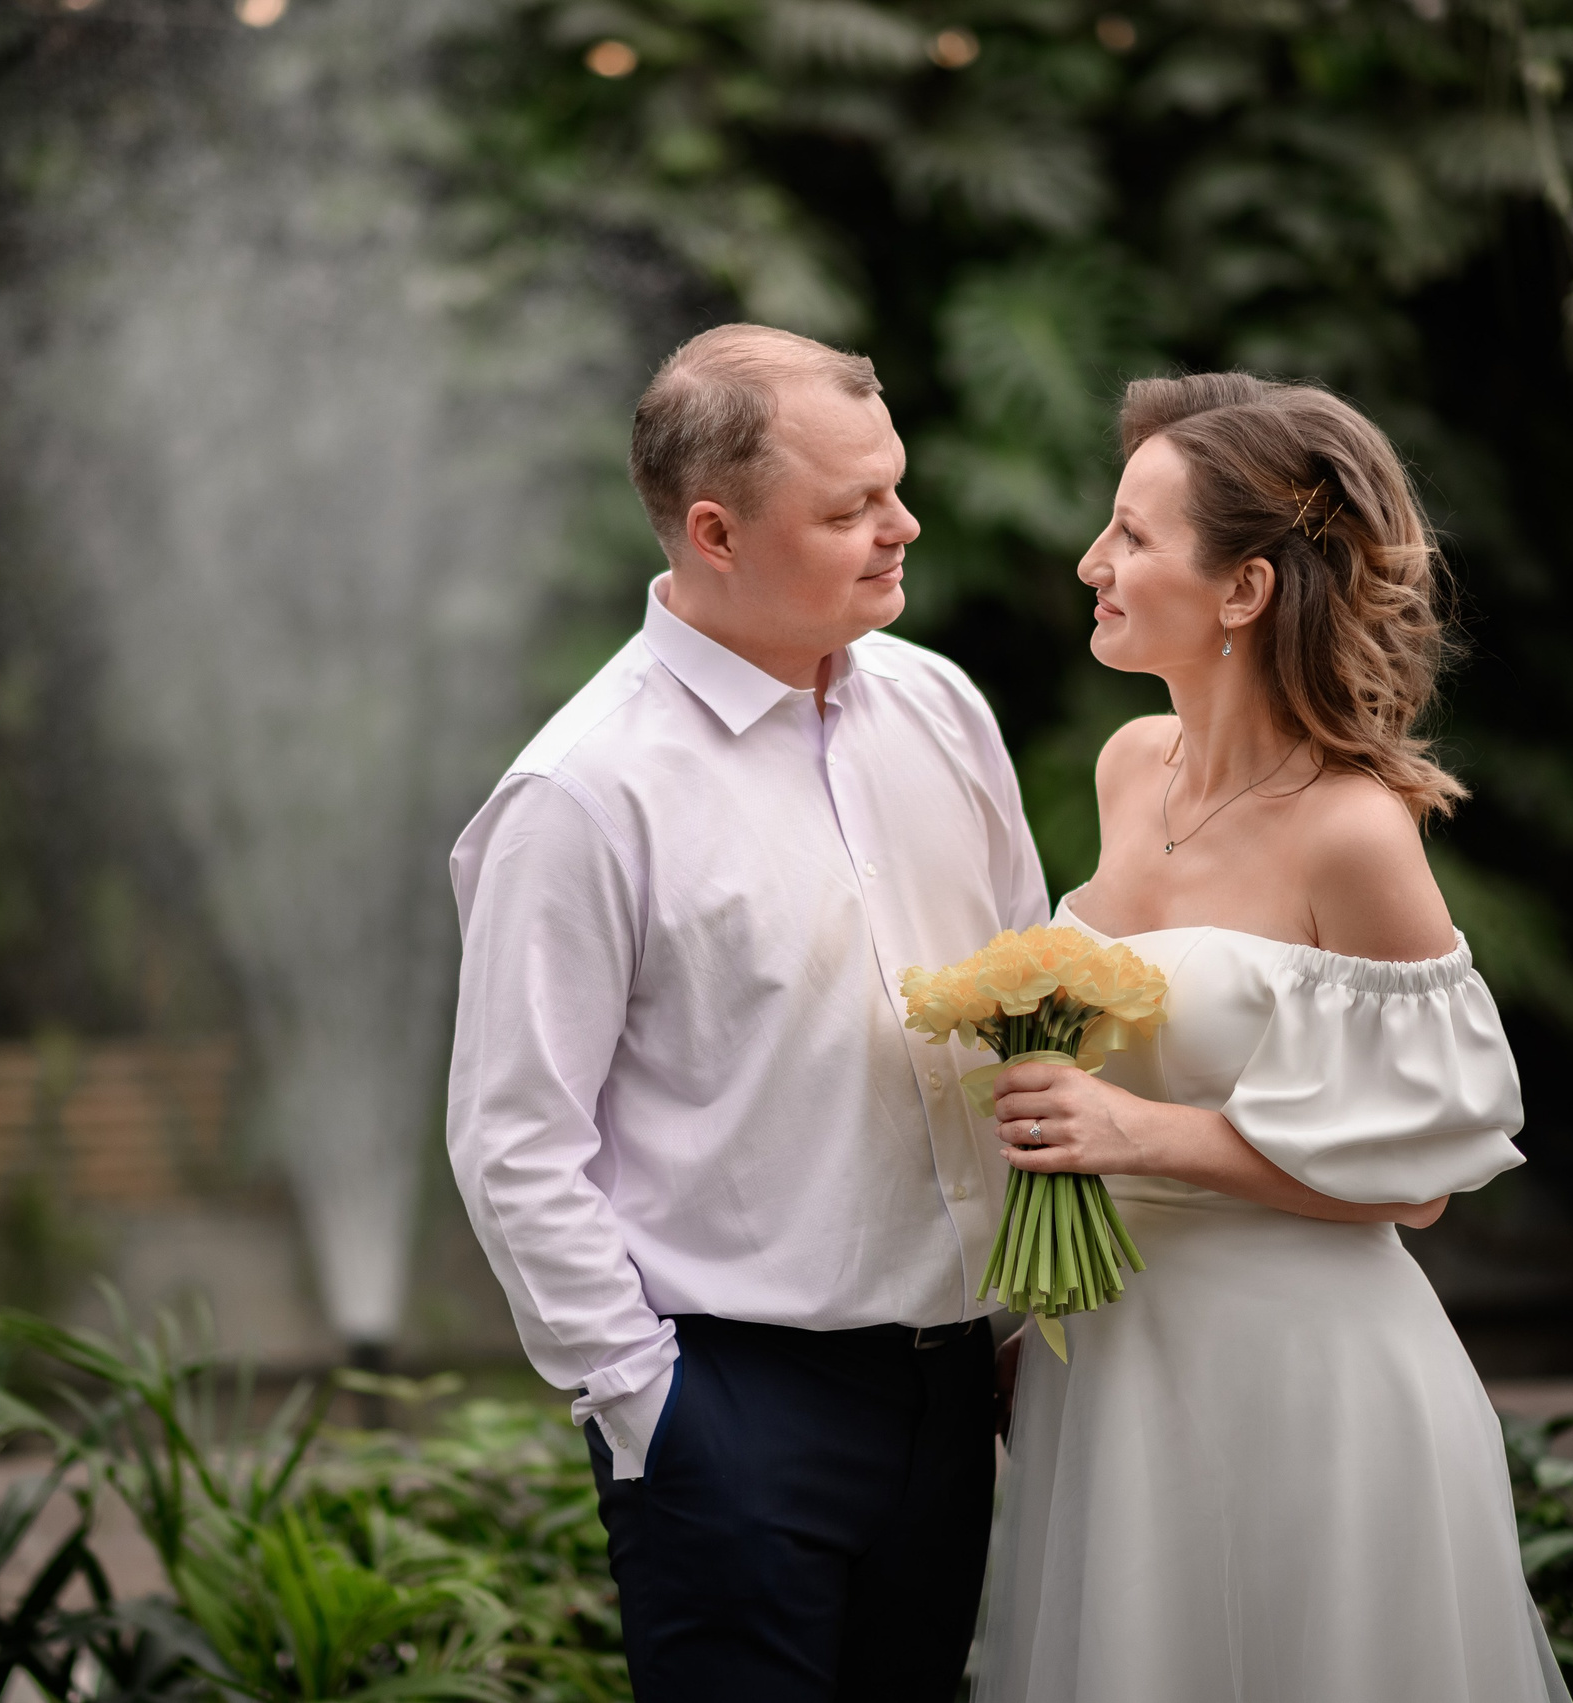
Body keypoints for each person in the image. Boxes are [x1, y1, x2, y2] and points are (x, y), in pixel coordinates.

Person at [445, 323, 1045, 1701]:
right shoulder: (584, 794)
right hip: (729, 1408)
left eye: (893, 485)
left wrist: (1018, 1313)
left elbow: (1027, 998)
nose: (903, 526)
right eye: (850, 510)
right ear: (715, 531)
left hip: (957, 1384)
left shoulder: (945, 710)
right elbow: (514, 1140)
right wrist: (648, 1404)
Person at [975, 372, 1569, 1702]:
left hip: (1303, 1380)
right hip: (1117, 1364)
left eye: (1133, 534)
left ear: (1243, 590)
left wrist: (1143, 1134)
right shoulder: (1129, 766)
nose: (1094, 561)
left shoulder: (1352, 831)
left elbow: (1418, 1178)